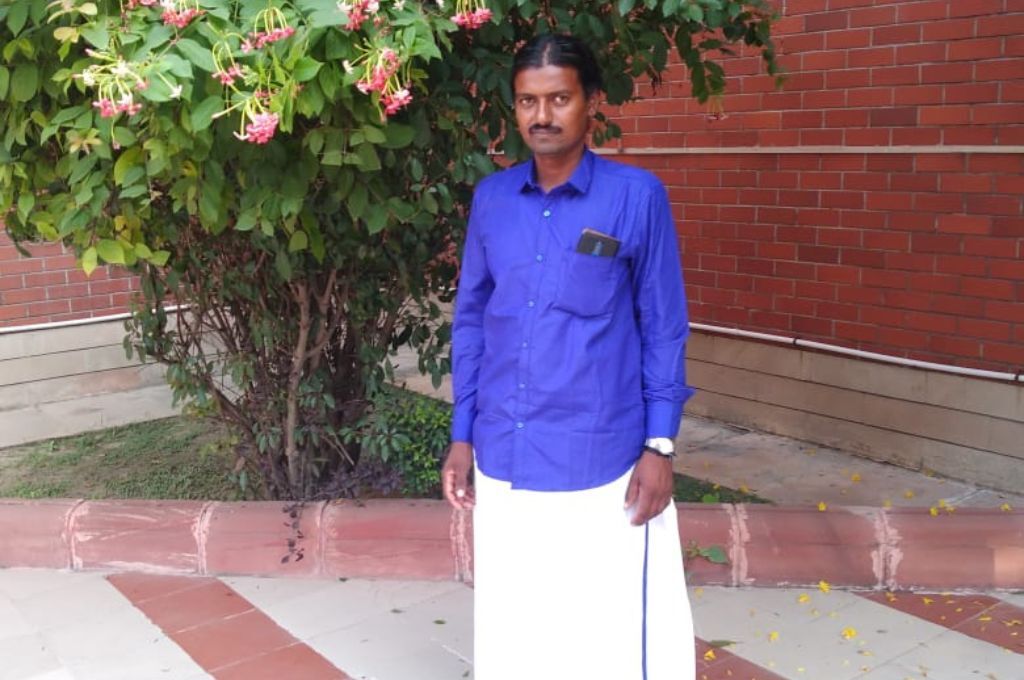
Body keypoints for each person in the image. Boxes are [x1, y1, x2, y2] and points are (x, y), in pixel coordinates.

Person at [442, 33, 696, 680]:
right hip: (506, 453)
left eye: (559, 98)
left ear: (592, 104)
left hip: (600, 458)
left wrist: (660, 446)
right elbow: (472, 322)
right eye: (528, 101)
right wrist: (463, 436)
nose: (542, 116)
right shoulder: (494, 201)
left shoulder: (635, 197)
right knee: (519, 623)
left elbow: (663, 326)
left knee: (604, 633)